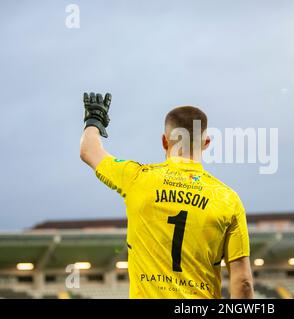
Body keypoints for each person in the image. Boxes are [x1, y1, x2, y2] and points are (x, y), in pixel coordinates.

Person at [79, 92, 253, 299]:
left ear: (164, 141)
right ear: (206, 143)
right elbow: (243, 281)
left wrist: (94, 120)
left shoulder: (137, 178)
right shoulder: (228, 199)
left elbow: (89, 150)